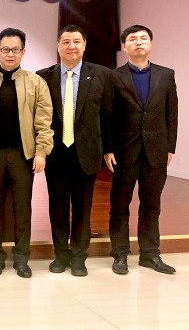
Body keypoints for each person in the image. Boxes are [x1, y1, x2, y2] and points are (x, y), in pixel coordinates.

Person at [36, 25, 112, 277]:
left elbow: (108, 115)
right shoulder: (43, 76)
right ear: (58, 46)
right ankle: (61, 255)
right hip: (56, 153)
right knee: (57, 206)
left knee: (82, 206)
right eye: (66, 42)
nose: (71, 46)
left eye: (76, 41)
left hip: (86, 151)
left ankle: (79, 257)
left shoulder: (102, 75)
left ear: (84, 45)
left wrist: (108, 148)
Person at [0, 28, 53, 278]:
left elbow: (44, 122)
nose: (10, 54)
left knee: (23, 208)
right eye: (5, 49)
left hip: (24, 156)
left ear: (23, 51)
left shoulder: (36, 83)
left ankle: (22, 258)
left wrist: (41, 152)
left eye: (16, 49)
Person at [105, 25, 178, 275]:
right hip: (124, 151)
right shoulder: (114, 77)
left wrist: (170, 147)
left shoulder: (166, 75)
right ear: (124, 46)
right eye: (133, 39)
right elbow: (108, 116)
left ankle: (150, 254)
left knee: (151, 204)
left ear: (150, 43)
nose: (138, 42)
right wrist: (108, 148)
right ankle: (120, 254)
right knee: (120, 204)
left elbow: (172, 113)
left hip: (156, 151)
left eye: (144, 38)